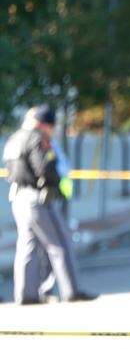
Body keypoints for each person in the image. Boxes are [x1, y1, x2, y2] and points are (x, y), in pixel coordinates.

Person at [2, 106, 96, 304]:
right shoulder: (37, 139)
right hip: (38, 198)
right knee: (59, 243)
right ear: (44, 124)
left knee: (27, 246)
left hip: (18, 197)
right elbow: (44, 167)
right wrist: (56, 185)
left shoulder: (14, 139)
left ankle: (26, 294)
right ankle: (71, 291)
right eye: (51, 126)